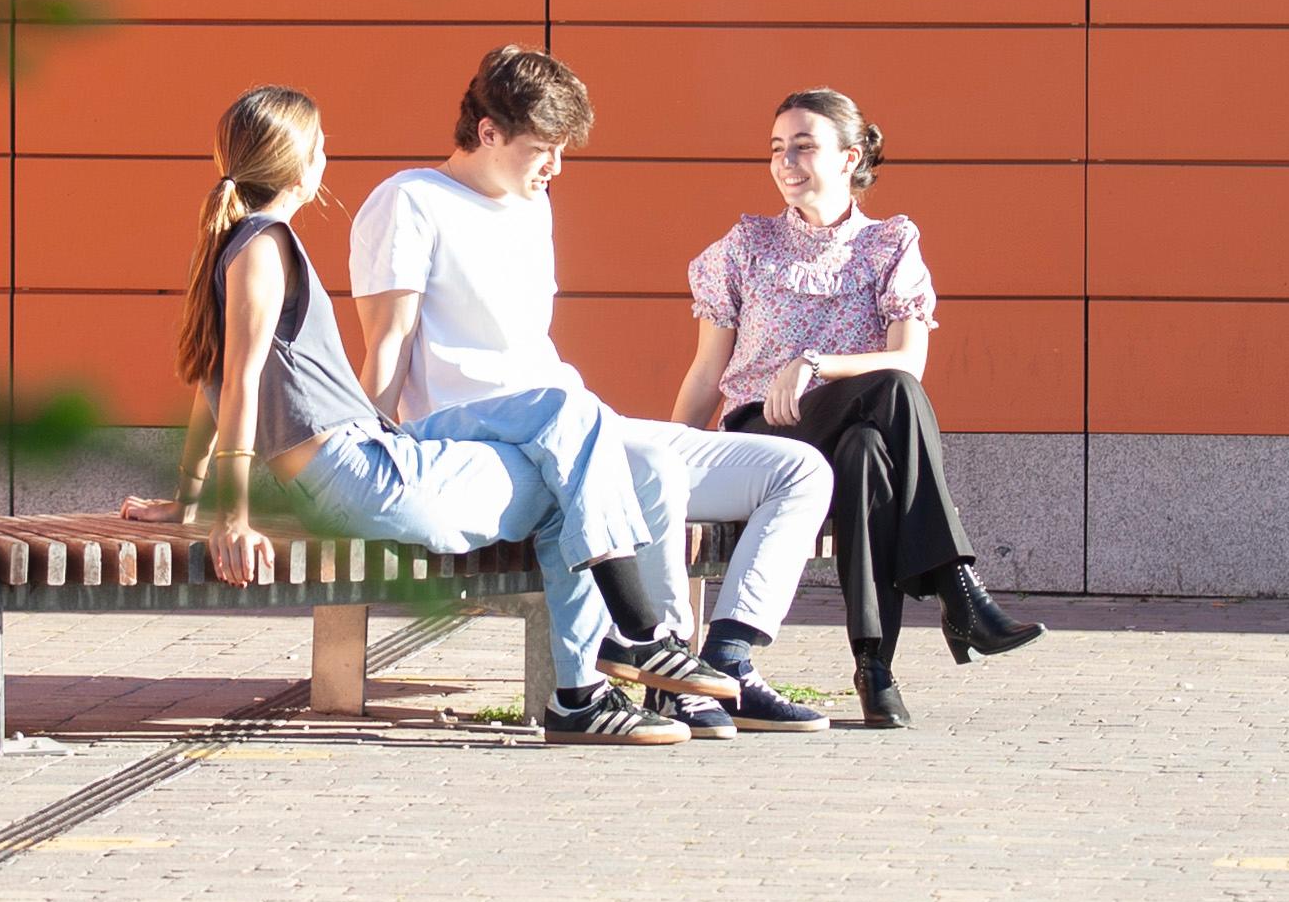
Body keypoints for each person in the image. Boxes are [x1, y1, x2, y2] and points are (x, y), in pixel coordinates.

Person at [136, 83, 722, 747]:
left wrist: (185, 498)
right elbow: (237, 382)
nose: (327, 157)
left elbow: (206, 381)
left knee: (567, 415)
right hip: (360, 472)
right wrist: (230, 517)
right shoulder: (265, 246)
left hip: (370, 452)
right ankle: (627, 649)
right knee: (574, 476)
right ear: (302, 165)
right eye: (322, 146)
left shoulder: (235, 244)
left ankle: (595, 680)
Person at [344, 46, 837, 738]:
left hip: (576, 422)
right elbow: (387, 342)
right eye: (542, 149)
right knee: (650, 467)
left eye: (562, 150)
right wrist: (364, 457)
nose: (555, 167)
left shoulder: (531, 204)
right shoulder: (408, 202)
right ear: (487, 132)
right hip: (482, 439)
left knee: (797, 470)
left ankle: (728, 662)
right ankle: (660, 662)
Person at [671, 85, 1040, 730]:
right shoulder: (746, 245)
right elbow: (708, 370)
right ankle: (957, 588)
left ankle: (874, 669)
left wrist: (815, 363)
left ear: (850, 157)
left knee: (870, 448)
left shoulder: (890, 245)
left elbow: (909, 360)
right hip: (764, 435)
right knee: (895, 396)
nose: (787, 162)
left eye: (805, 147)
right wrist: (668, 461)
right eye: (777, 148)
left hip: (845, 436)